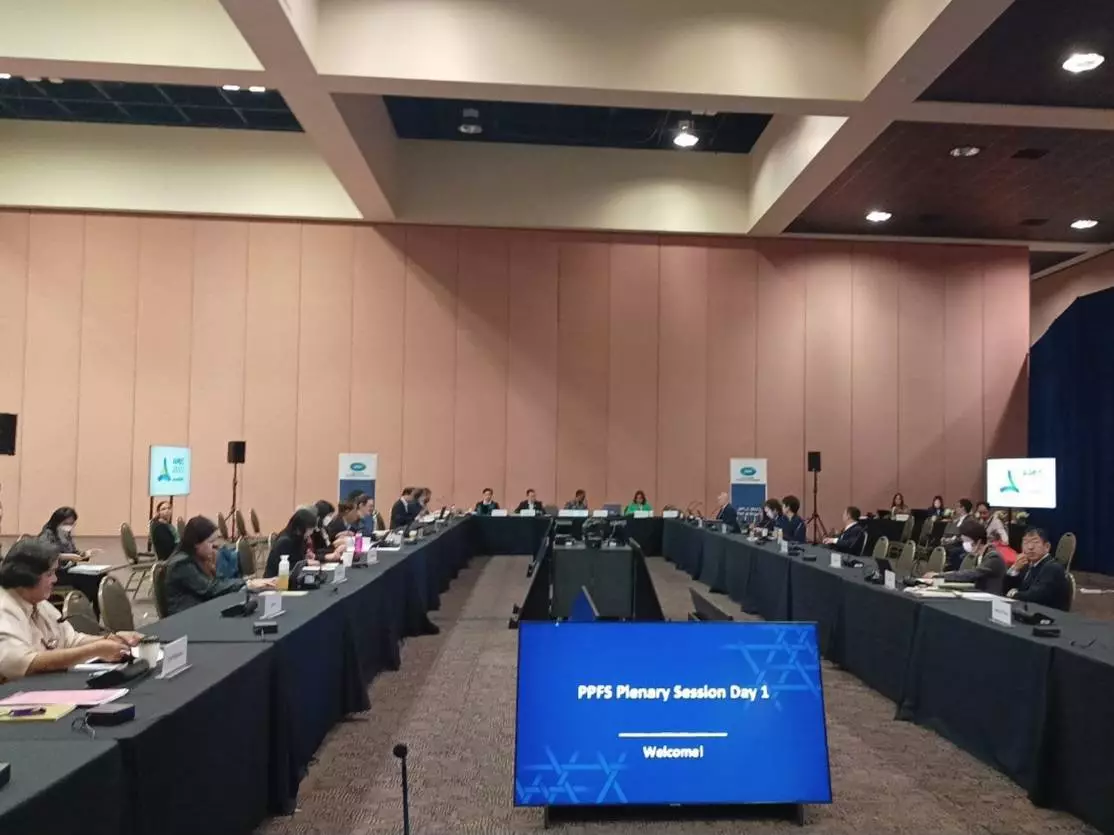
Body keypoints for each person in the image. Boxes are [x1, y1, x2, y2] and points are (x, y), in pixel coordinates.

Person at [0, 540, 144, 681]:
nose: (55, 579)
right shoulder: (4, 609)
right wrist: (94, 650)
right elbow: (23, 663)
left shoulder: (38, 602)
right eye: (49, 574)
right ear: (25, 576)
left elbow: (71, 640)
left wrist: (109, 640)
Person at [165, 516, 274, 615]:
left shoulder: (199, 557)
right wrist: (247, 584)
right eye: (210, 542)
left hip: (202, 609)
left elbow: (219, 581)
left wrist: (248, 584)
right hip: (186, 616)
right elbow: (210, 588)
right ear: (196, 543)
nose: (214, 545)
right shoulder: (181, 563)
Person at [926, 519, 1006, 594]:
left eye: (967, 541)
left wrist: (939, 575)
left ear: (978, 541)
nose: (964, 544)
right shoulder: (979, 556)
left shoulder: (994, 558)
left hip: (991, 598)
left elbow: (970, 574)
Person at [1005, 529, 1072, 610]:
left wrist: (1013, 594)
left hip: (1048, 614)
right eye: (1026, 542)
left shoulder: (1053, 568)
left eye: (1035, 542)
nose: (1030, 547)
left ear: (1047, 547)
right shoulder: (1025, 564)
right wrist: (1014, 569)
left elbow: (1034, 597)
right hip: (1026, 610)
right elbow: (1004, 589)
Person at [265, 508, 320, 578]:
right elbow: (284, 567)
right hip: (276, 580)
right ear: (300, 527)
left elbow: (297, 559)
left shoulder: (299, 538)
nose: (311, 532)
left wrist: (306, 557)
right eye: (310, 529)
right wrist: (306, 563)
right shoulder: (284, 541)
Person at [942, 498, 974, 571]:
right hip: (955, 543)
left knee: (953, 551)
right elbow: (951, 532)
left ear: (963, 508)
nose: (956, 508)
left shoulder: (969, 520)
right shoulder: (958, 520)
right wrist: (945, 538)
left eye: (957, 506)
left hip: (963, 544)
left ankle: (953, 570)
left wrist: (952, 540)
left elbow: (965, 536)